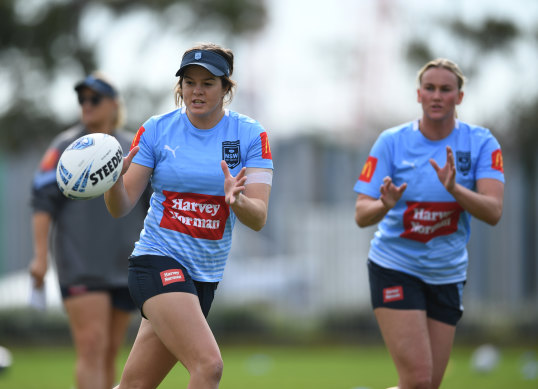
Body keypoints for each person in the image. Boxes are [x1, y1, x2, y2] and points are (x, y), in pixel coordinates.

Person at [104, 42, 274, 389]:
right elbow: (121, 206)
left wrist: (237, 201)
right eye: (189, 82)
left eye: (208, 83)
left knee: (135, 385)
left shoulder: (250, 135)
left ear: (226, 88)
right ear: (179, 86)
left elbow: (258, 218)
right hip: (157, 261)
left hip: (204, 277)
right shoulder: (156, 129)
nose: (197, 90)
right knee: (208, 366)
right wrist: (111, 181)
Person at [353, 58, 504, 389]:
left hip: (447, 273)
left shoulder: (481, 143)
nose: (437, 96)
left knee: (427, 386)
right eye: (430, 89)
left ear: (459, 97)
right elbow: (361, 214)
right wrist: (385, 203)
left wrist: (455, 189)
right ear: (418, 95)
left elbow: (493, 211)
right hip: (395, 266)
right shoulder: (392, 142)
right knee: (419, 381)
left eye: (446, 89)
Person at [29, 73, 149, 389]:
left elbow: (152, 205)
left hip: (124, 265)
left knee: (110, 351)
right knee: (92, 345)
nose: (86, 105)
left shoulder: (133, 148)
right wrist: (40, 258)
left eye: (94, 99)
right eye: (82, 99)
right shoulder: (65, 147)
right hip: (79, 264)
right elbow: (42, 204)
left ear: (113, 105)